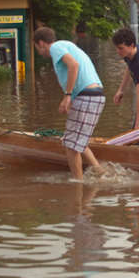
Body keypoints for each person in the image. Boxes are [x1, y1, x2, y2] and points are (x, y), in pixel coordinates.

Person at [33, 26, 106, 180]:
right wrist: (72, 99)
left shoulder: (56, 48)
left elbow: (74, 65)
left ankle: (77, 183)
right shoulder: (67, 45)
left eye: (36, 47)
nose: (38, 51)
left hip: (87, 95)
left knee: (70, 144)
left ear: (41, 43)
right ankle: (99, 171)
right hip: (94, 95)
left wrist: (67, 96)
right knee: (77, 139)